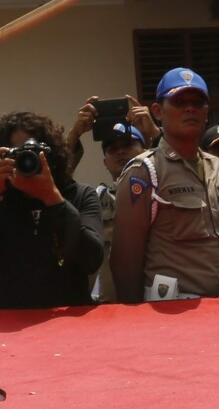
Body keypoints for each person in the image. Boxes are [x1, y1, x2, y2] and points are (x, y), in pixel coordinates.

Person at [111, 68, 219, 302]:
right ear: (158, 112)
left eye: (197, 101)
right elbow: (125, 261)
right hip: (173, 313)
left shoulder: (218, 167)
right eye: (179, 101)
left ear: (206, 111)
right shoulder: (144, 171)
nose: (190, 108)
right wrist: (132, 319)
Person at [0, 111, 105, 309]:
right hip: (12, 323)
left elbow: (92, 260)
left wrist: (52, 197)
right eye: (15, 154)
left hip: (68, 320)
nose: (25, 160)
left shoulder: (80, 195)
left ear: (52, 153)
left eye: (32, 151)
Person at [89, 121, 147, 304]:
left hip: (158, 300)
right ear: (105, 162)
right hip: (112, 305)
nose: (121, 152)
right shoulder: (95, 200)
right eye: (113, 149)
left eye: (128, 145)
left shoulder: (161, 192)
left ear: (147, 152)